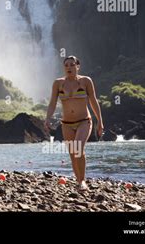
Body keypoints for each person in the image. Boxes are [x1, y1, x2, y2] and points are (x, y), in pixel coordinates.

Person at [44, 55, 104, 191]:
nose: (69, 67)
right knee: (72, 154)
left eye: (72, 65)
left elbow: (93, 101)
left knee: (78, 148)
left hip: (84, 121)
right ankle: (78, 181)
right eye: (66, 65)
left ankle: (83, 181)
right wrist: (47, 118)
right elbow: (52, 103)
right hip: (66, 124)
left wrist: (100, 121)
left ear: (78, 66)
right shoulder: (58, 83)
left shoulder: (86, 81)